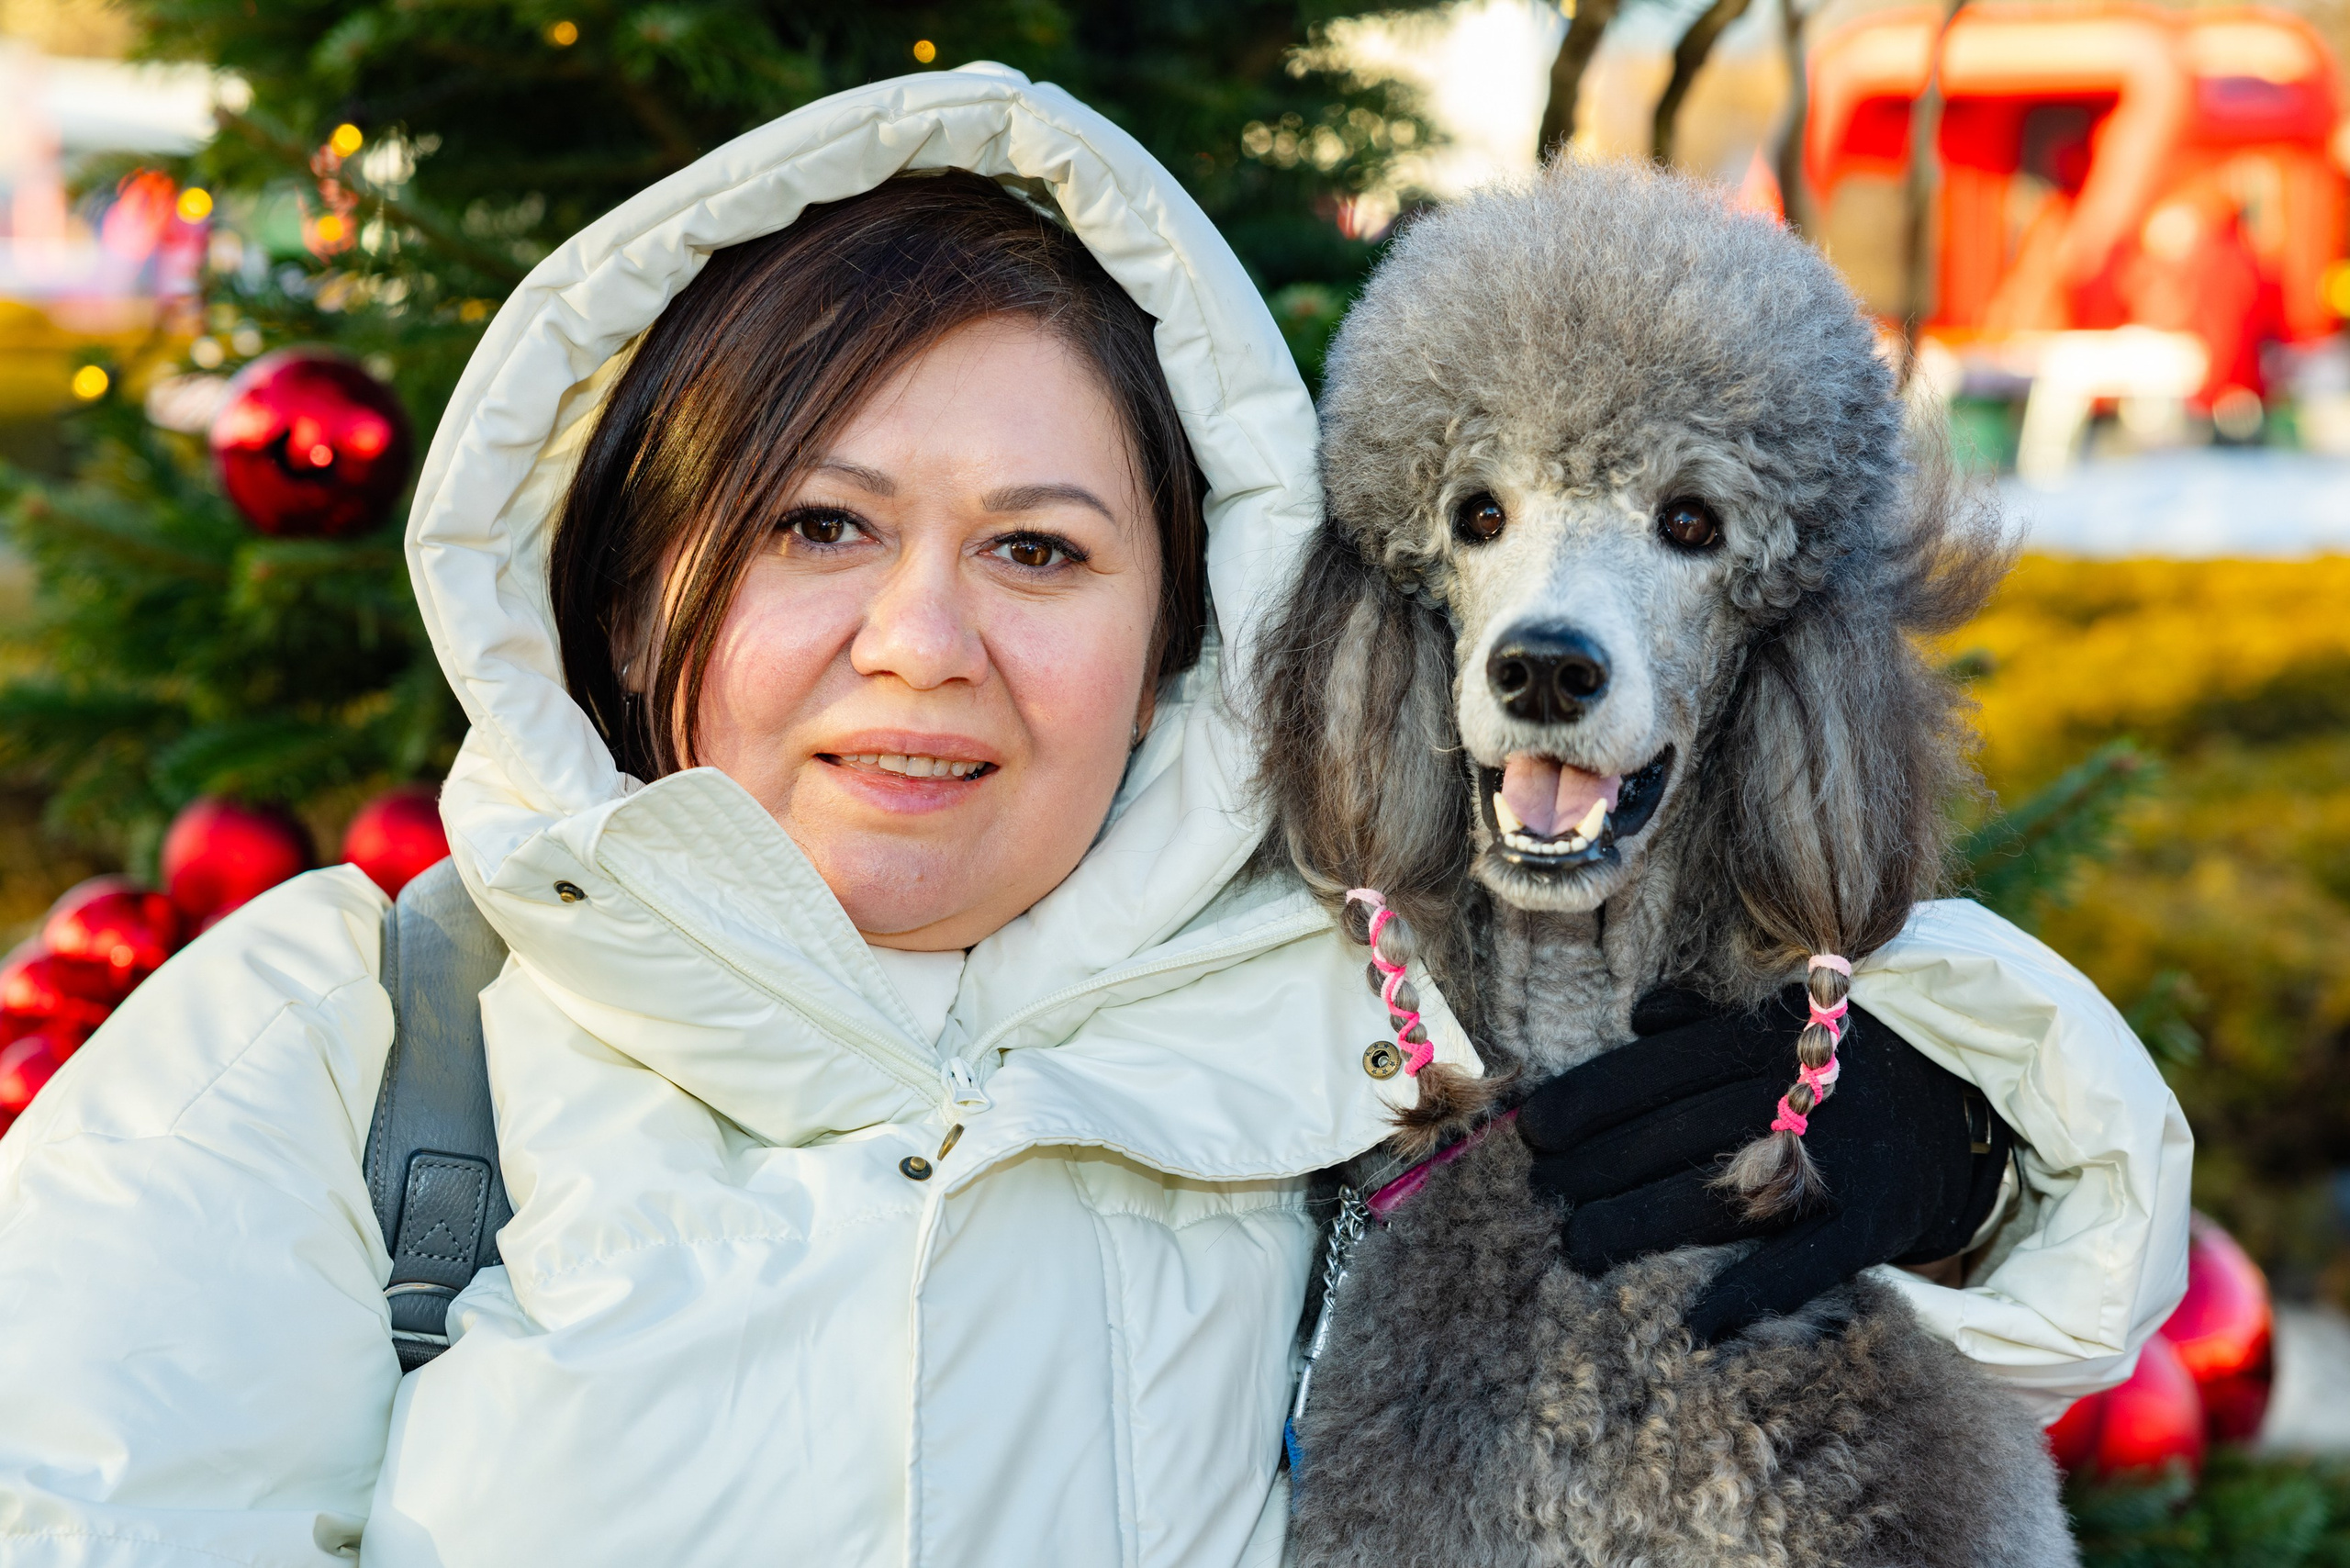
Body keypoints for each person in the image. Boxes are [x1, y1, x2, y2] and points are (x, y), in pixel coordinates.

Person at [0, 68, 2187, 1567]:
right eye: (817, 525)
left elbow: (1992, 1252)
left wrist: (1960, 1149)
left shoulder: (1352, 1029)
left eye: (1038, 549)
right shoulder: (335, 1042)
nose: (921, 641)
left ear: (1178, 630)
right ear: (633, 573)